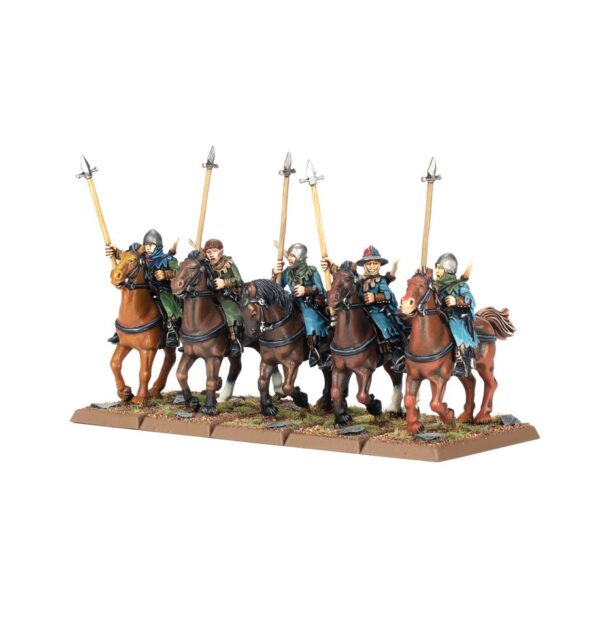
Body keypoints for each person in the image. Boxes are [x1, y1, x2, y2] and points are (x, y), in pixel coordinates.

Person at [323, 245, 405, 371]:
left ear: (379, 265)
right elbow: (345, 275)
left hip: (377, 311)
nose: (372, 266)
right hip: (360, 310)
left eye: (374, 263)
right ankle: (331, 354)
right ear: (365, 265)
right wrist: (331, 265)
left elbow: (389, 295)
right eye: (369, 263)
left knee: (385, 327)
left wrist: (375, 297)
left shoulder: (381, 280)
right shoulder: (359, 279)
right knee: (337, 325)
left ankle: (397, 354)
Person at [106, 229, 182, 348]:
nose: (147, 248)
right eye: (146, 245)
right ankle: (122, 329)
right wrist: (114, 251)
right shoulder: (143, 258)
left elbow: (179, 272)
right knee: (130, 299)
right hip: (146, 287)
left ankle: (172, 329)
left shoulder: (168, 259)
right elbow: (127, 256)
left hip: (163, 288)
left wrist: (166, 274)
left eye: (150, 245)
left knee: (166, 300)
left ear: (157, 246)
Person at [272, 243, 331, 368]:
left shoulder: (312, 271)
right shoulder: (287, 272)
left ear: (300, 257)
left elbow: (321, 289)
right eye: (289, 256)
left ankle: (315, 350)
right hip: (292, 302)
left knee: (310, 320)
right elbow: (276, 288)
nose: (289, 258)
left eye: (292, 256)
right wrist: (275, 274)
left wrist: (306, 290)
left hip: (308, 303)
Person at [434, 252, 478, 377]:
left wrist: (456, 300)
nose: (436, 271)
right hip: (438, 315)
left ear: (448, 269)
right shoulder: (435, 285)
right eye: (436, 268)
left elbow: (471, 300)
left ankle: (462, 361)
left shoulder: (460, 285)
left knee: (455, 326)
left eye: (440, 268)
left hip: (455, 315)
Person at [203, 238, 244, 357]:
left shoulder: (228, 263)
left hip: (226, 294)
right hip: (209, 295)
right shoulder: (205, 265)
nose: (211, 255)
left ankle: (235, 340)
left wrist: (225, 282)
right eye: (208, 252)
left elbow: (239, 280)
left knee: (231, 312)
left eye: (215, 251)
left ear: (221, 251)